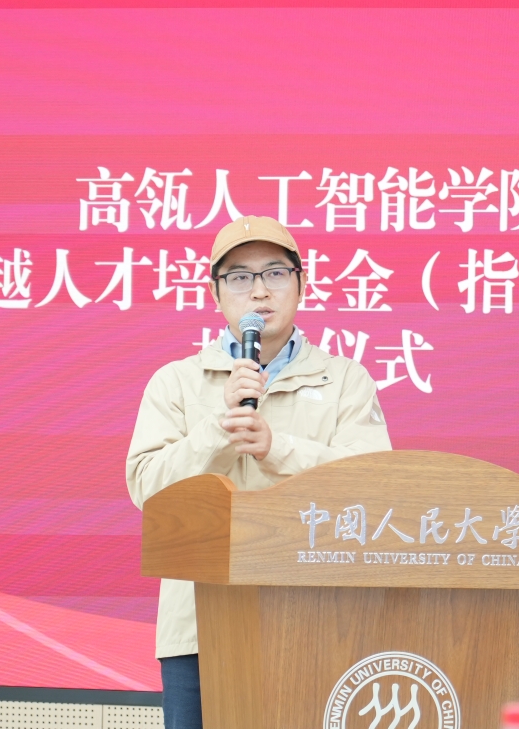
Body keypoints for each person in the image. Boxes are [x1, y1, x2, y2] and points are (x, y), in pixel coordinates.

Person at [125, 215, 392, 729]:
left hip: (319, 618)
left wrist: (278, 449)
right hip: (199, 625)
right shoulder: (175, 383)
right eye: (240, 277)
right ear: (216, 293)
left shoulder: (345, 381)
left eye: (275, 273)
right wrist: (216, 428)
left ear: (301, 284)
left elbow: (373, 485)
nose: (259, 291)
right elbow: (148, 492)